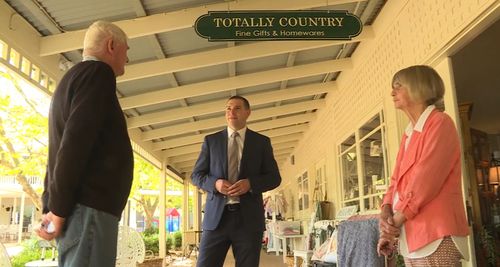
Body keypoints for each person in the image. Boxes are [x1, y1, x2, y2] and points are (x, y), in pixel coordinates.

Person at [36, 20, 133, 266]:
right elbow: (74, 143)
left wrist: (51, 205)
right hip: (89, 211)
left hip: (79, 210)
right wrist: (56, 209)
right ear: (111, 45)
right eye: (126, 50)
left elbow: (58, 149)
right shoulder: (98, 74)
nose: (127, 59)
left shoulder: (70, 79)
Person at [377, 65, 469, 266]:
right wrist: (386, 210)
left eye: (398, 86)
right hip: (413, 236)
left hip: (436, 234)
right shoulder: (409, 133)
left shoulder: (440, 122)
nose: (392, 92)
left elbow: (425, 180)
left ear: (420, 87)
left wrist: (393, 224)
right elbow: (396, 181)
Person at [191, 95, 282, 267]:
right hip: (216, 219)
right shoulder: (211, 141)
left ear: (248, 112)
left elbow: (274, 177)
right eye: (228, 108)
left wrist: (251, 184)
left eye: (237, 108)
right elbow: (196, 175)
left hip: (248, 221)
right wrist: (215, 183)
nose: (231, 112)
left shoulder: (261, 142)